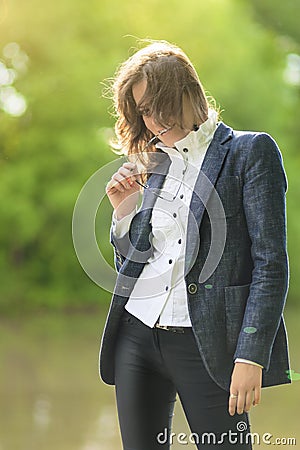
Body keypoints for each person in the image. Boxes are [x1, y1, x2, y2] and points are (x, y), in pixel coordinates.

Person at [99, 40, 291, 450]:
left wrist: (251, 355)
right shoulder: (155, 162)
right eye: (143, 111)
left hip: (209, 345)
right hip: (136, 338)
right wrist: (124, 213)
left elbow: (270, 265)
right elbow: (136, 261)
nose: (152, 120)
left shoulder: (249, 152)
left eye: (158, 104)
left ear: (189, 92)